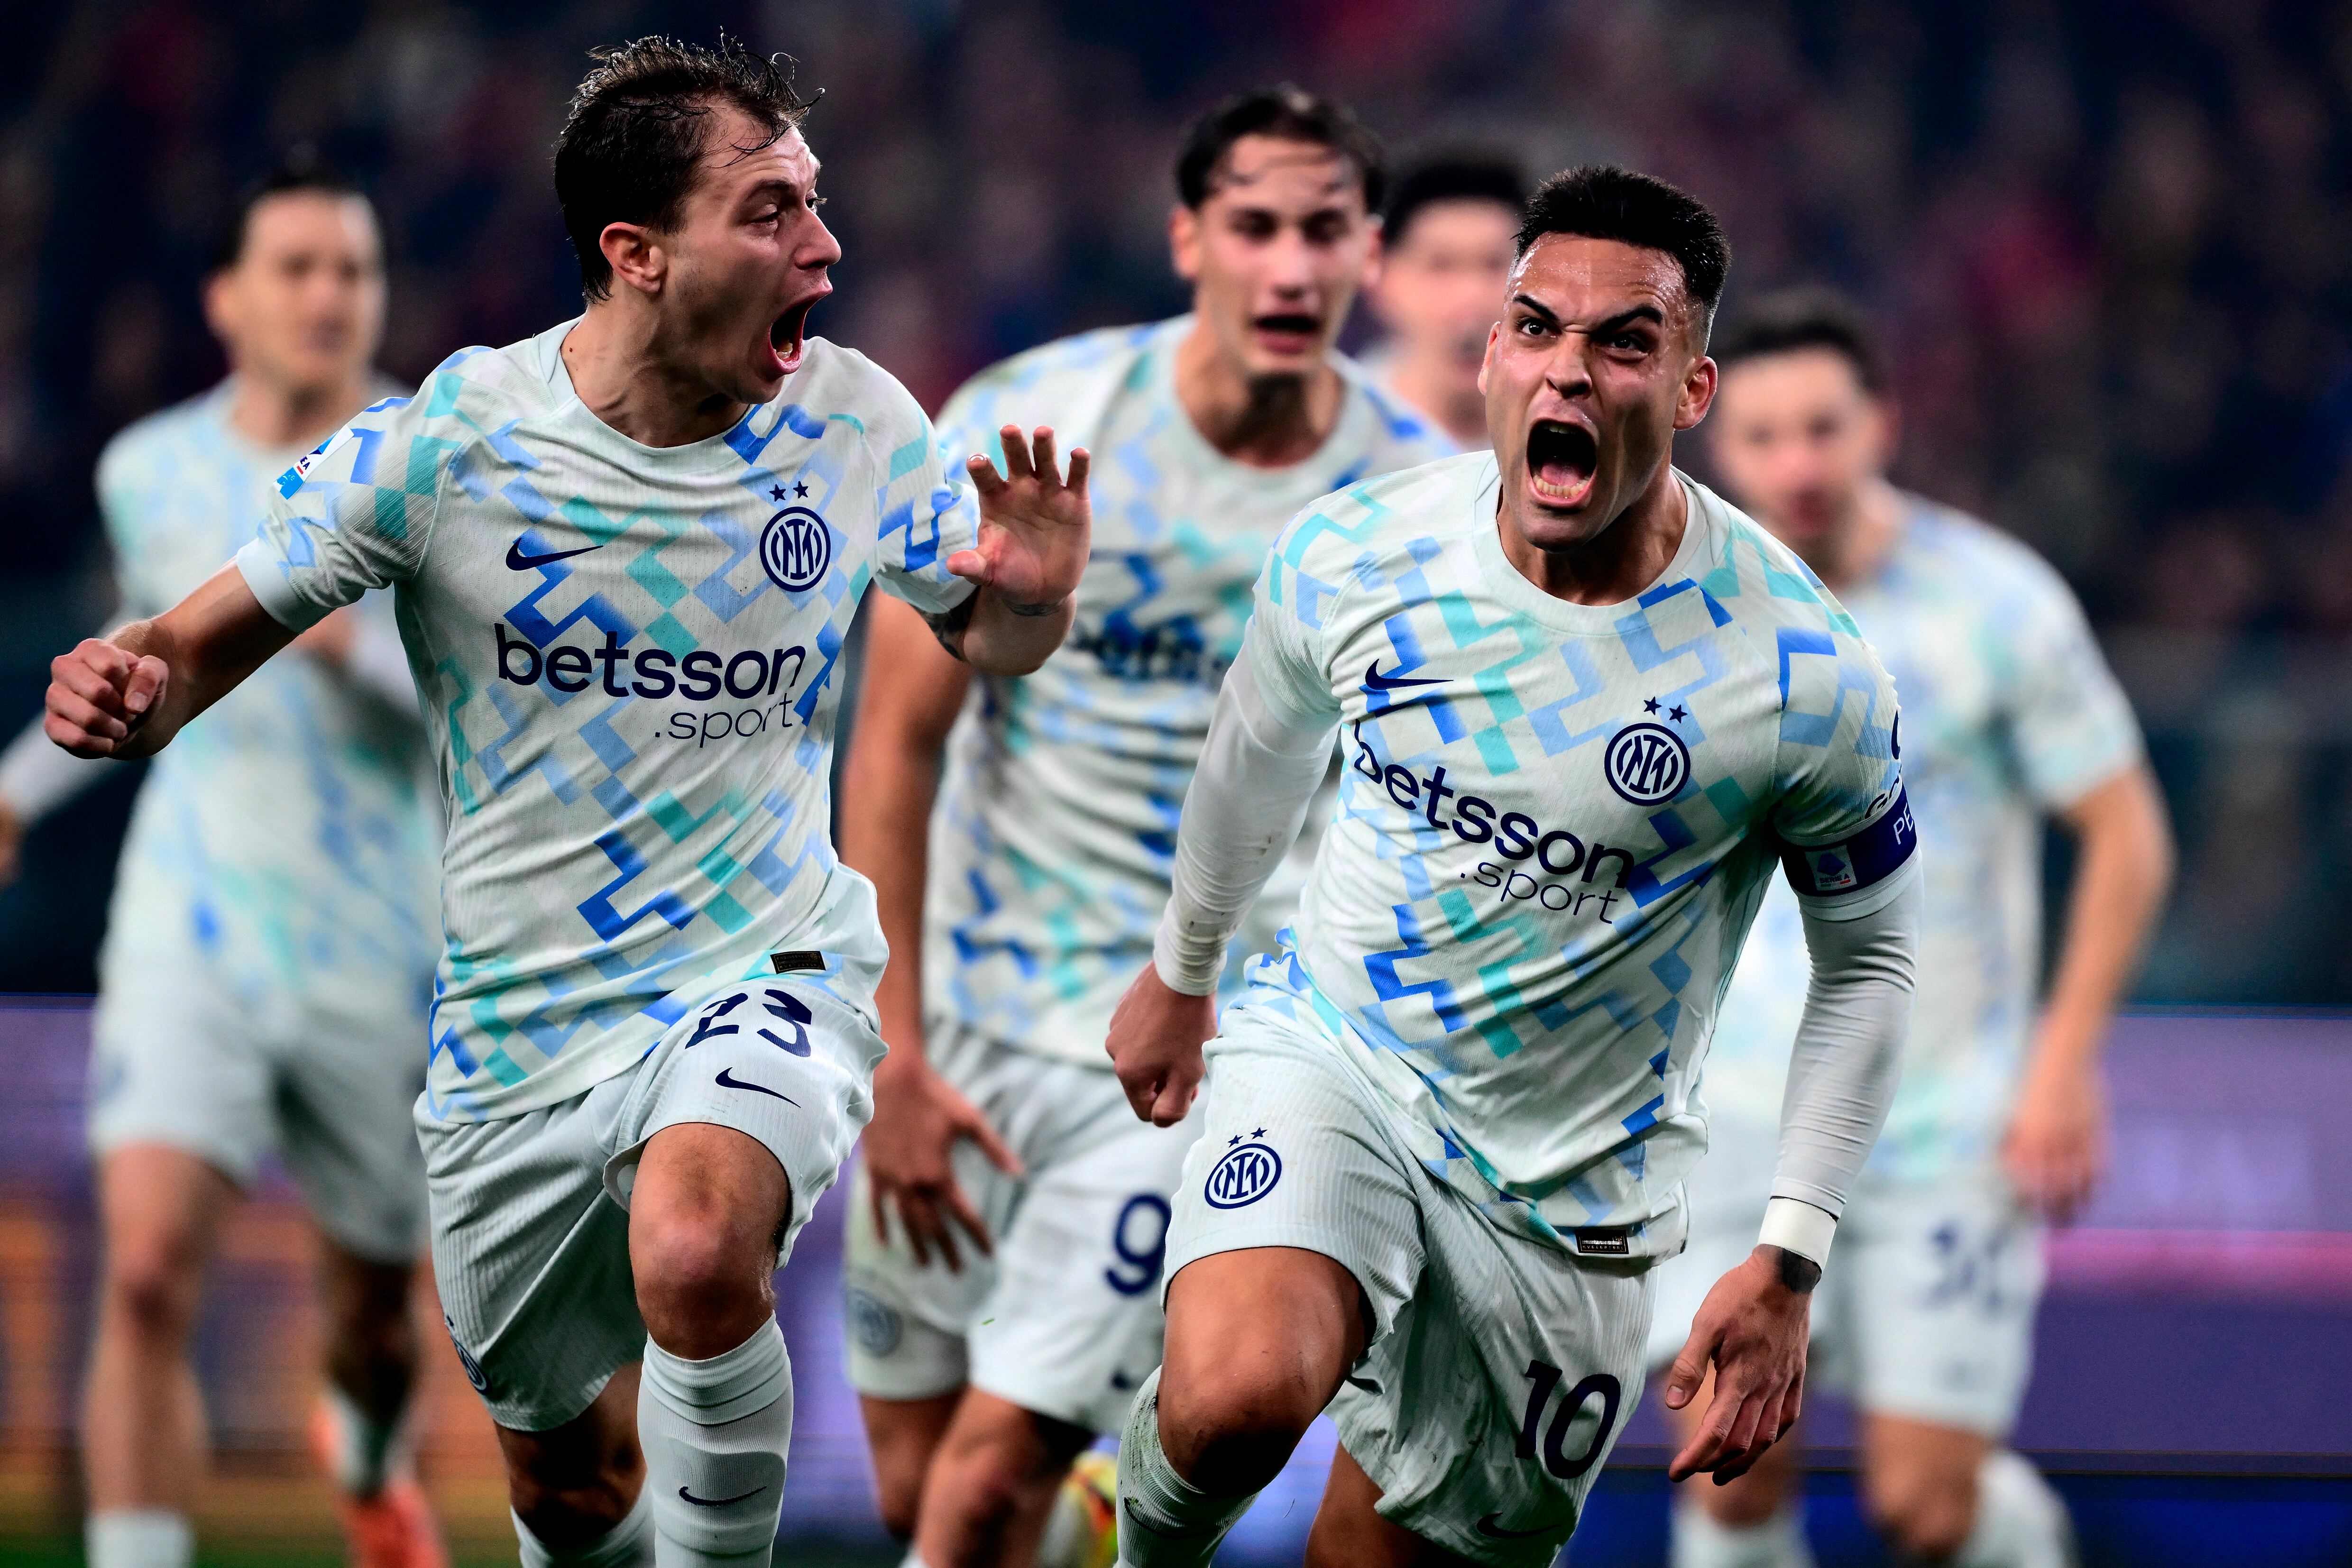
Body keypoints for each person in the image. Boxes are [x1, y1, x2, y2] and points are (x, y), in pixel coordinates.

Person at [40, 37, 1090, 1568]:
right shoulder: (449, 445)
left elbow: (985, 631)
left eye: (819, 203)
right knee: (571, 1484)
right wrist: (123, 691)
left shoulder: (858, 422)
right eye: (777, 210)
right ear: (638, 254)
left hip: (765, 963)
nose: (827, 245)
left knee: (696, 1241)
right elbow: (190, 650)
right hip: (518, 1032)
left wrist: (1038, 598)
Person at [1104, 165, 1923, 1568]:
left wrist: (1789, 1254)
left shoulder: (1801, 669)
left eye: (1623, 344)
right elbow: (1256, 756)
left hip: (1571, 1197)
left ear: (1691, 389)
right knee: (1237, 1398)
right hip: (1343, 1061)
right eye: (1537, 327)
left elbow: (1873, 959)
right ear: (1489, 354)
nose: (1569, 370)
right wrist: (1184, 969)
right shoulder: (1363, 553)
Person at [838, 86, 1452, 1568]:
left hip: (1199, 1048)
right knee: (926, 1495)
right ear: (1190, 237)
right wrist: (892, 1046)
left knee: (981, 1491)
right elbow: (896, 746)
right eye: (1256, 226)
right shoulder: (1025, 429)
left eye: (1325, 231)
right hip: (975, 1028)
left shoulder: (1423, 500)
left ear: (1370, 253)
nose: (1292, 268)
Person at [1645, 290, 2173, 1568]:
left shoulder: (1995, 601)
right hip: (1727, 1121)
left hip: (1944, 1116)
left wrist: (2063, 1063)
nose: (1799, 463)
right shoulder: (1664, 604)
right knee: (1732, 1474)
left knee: (1925, 1509)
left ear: (1882, 420)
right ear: (1717, 435)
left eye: (1825, 427)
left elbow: (2127, 833)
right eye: (1766, 435)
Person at [0, 157, 447, 1568]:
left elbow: (497, 710)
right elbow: (138, 663)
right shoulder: (152, 470)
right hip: (190, 922)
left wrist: (350, 649)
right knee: (141, 1274)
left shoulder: (439, 459)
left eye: (353, 271)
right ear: (229, 299)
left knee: (379, 1320)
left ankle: (366, 1451)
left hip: (380, 941)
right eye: (299, 268)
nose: (329, 296)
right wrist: (14, 790)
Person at [1361, 156, 1525, 449]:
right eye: (1440, 265)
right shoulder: (1334, 433)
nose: (1471, 296)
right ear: (1381, 276)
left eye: (1496, 264)